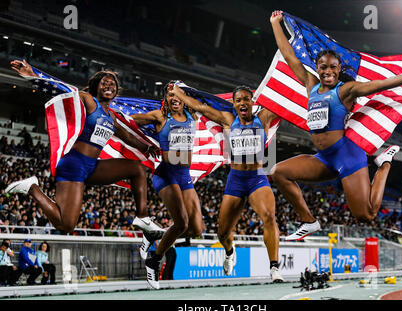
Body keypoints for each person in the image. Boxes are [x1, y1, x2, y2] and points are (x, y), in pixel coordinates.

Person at [269, 10, 402, 240]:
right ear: (317, 67)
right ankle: (309, 221)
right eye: (323, 67)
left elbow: (382, 84)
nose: (327, 71)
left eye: (332, 68)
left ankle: (384, 164)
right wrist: (276, 23)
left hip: (347, 155)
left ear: (338, 70)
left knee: (366, 215)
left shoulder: (346, 90)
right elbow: (289, 57)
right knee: (279, 172)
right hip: (324, 158)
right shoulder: (311, 86)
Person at [5, 60, 160, 237]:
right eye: (105, 83)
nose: (109, 85)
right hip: (74, 164)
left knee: (138, 169)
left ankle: (143, 217)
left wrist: (148, 148)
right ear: (96, 87)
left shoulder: (112, 117)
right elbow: (63, 89)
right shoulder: (88, 100)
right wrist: (33, 75)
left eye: (113, 84)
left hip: (92, 166)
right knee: (66, 225)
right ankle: (33, 188)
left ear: (116, 91)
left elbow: (128, 137)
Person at [169, 83, 284, 283]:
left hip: (257, 177)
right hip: (236, 180)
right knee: (222, 232)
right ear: (234, 103)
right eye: (238, 100)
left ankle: (274, 267)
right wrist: (178, 93)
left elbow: (285, 101)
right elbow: (200, 107)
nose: (242, 103)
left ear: (252, 101)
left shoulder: (263, 118)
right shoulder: (228, 120)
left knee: (269, 216)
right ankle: (230, 252)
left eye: (246, 99)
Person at [131, 81, 204, 289]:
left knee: (196, 228)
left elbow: (207, 106)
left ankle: (154, 234)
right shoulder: (160, 116)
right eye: (170, 94)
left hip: (184, 176)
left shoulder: (193, 116)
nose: (174, 98)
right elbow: (128, 122)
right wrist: (145, 144)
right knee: (181, 224)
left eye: (178, 94)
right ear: (166, 99)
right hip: (166, 174)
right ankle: (154, 261)